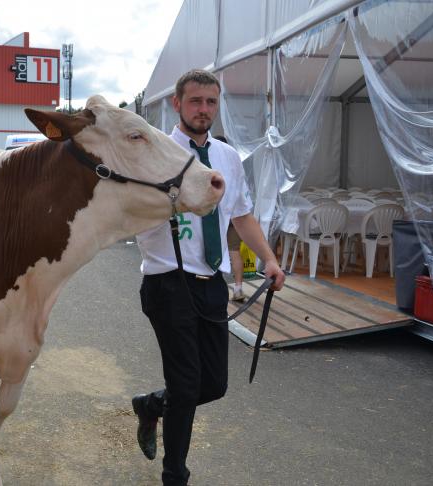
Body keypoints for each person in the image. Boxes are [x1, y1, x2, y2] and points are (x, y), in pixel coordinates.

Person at [131, 69, 285, 485]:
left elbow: (242, 214)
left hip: (211, 284)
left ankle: (150, 405)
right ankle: (174, 476)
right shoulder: (154, 152)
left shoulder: (228, 157)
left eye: (211, 102)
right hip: (168, 280)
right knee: (185, 385)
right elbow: (133, 213)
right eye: (196, 101)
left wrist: (269, 259)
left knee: (213, 384)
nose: (204, 109)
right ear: (177, 104)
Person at [213, 135, 246, 302]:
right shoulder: (231, 166)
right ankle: (238, 287)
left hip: (217, 217)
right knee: (234, 252)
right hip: (235, 217)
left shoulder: (210, 167)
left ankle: (218, 285)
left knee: (214, 251)